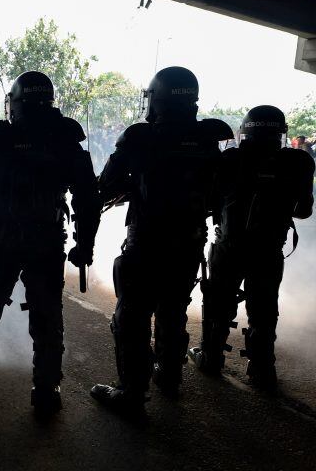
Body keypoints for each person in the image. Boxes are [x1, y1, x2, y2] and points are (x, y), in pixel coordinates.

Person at [0, 71, 101, 414]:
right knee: (48, 319)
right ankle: (47, 392)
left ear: (14, 103)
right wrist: (85, 245)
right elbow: (87, 198)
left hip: (3, 240)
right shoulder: (66, 137)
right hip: (47, 241)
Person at [90, 66, 233, 415]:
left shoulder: (140, 137)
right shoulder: (209, 139)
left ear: (158, 98)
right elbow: (218, 196)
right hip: (188, 244)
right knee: (173, 309)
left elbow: (104, 186)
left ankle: (132, 395)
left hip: (146, 245)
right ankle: (169, 376)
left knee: (132, 318)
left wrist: (130, 188)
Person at [188, 106, 314, 390]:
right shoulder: (299, 162)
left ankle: (211, 356)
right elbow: (304, 211)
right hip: (269, 248)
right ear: (281, 133)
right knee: (265, 307)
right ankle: (262, 369)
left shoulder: (229, 159)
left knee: (219, 302)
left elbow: (208, 202)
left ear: (247, 130)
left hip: (228, 246)